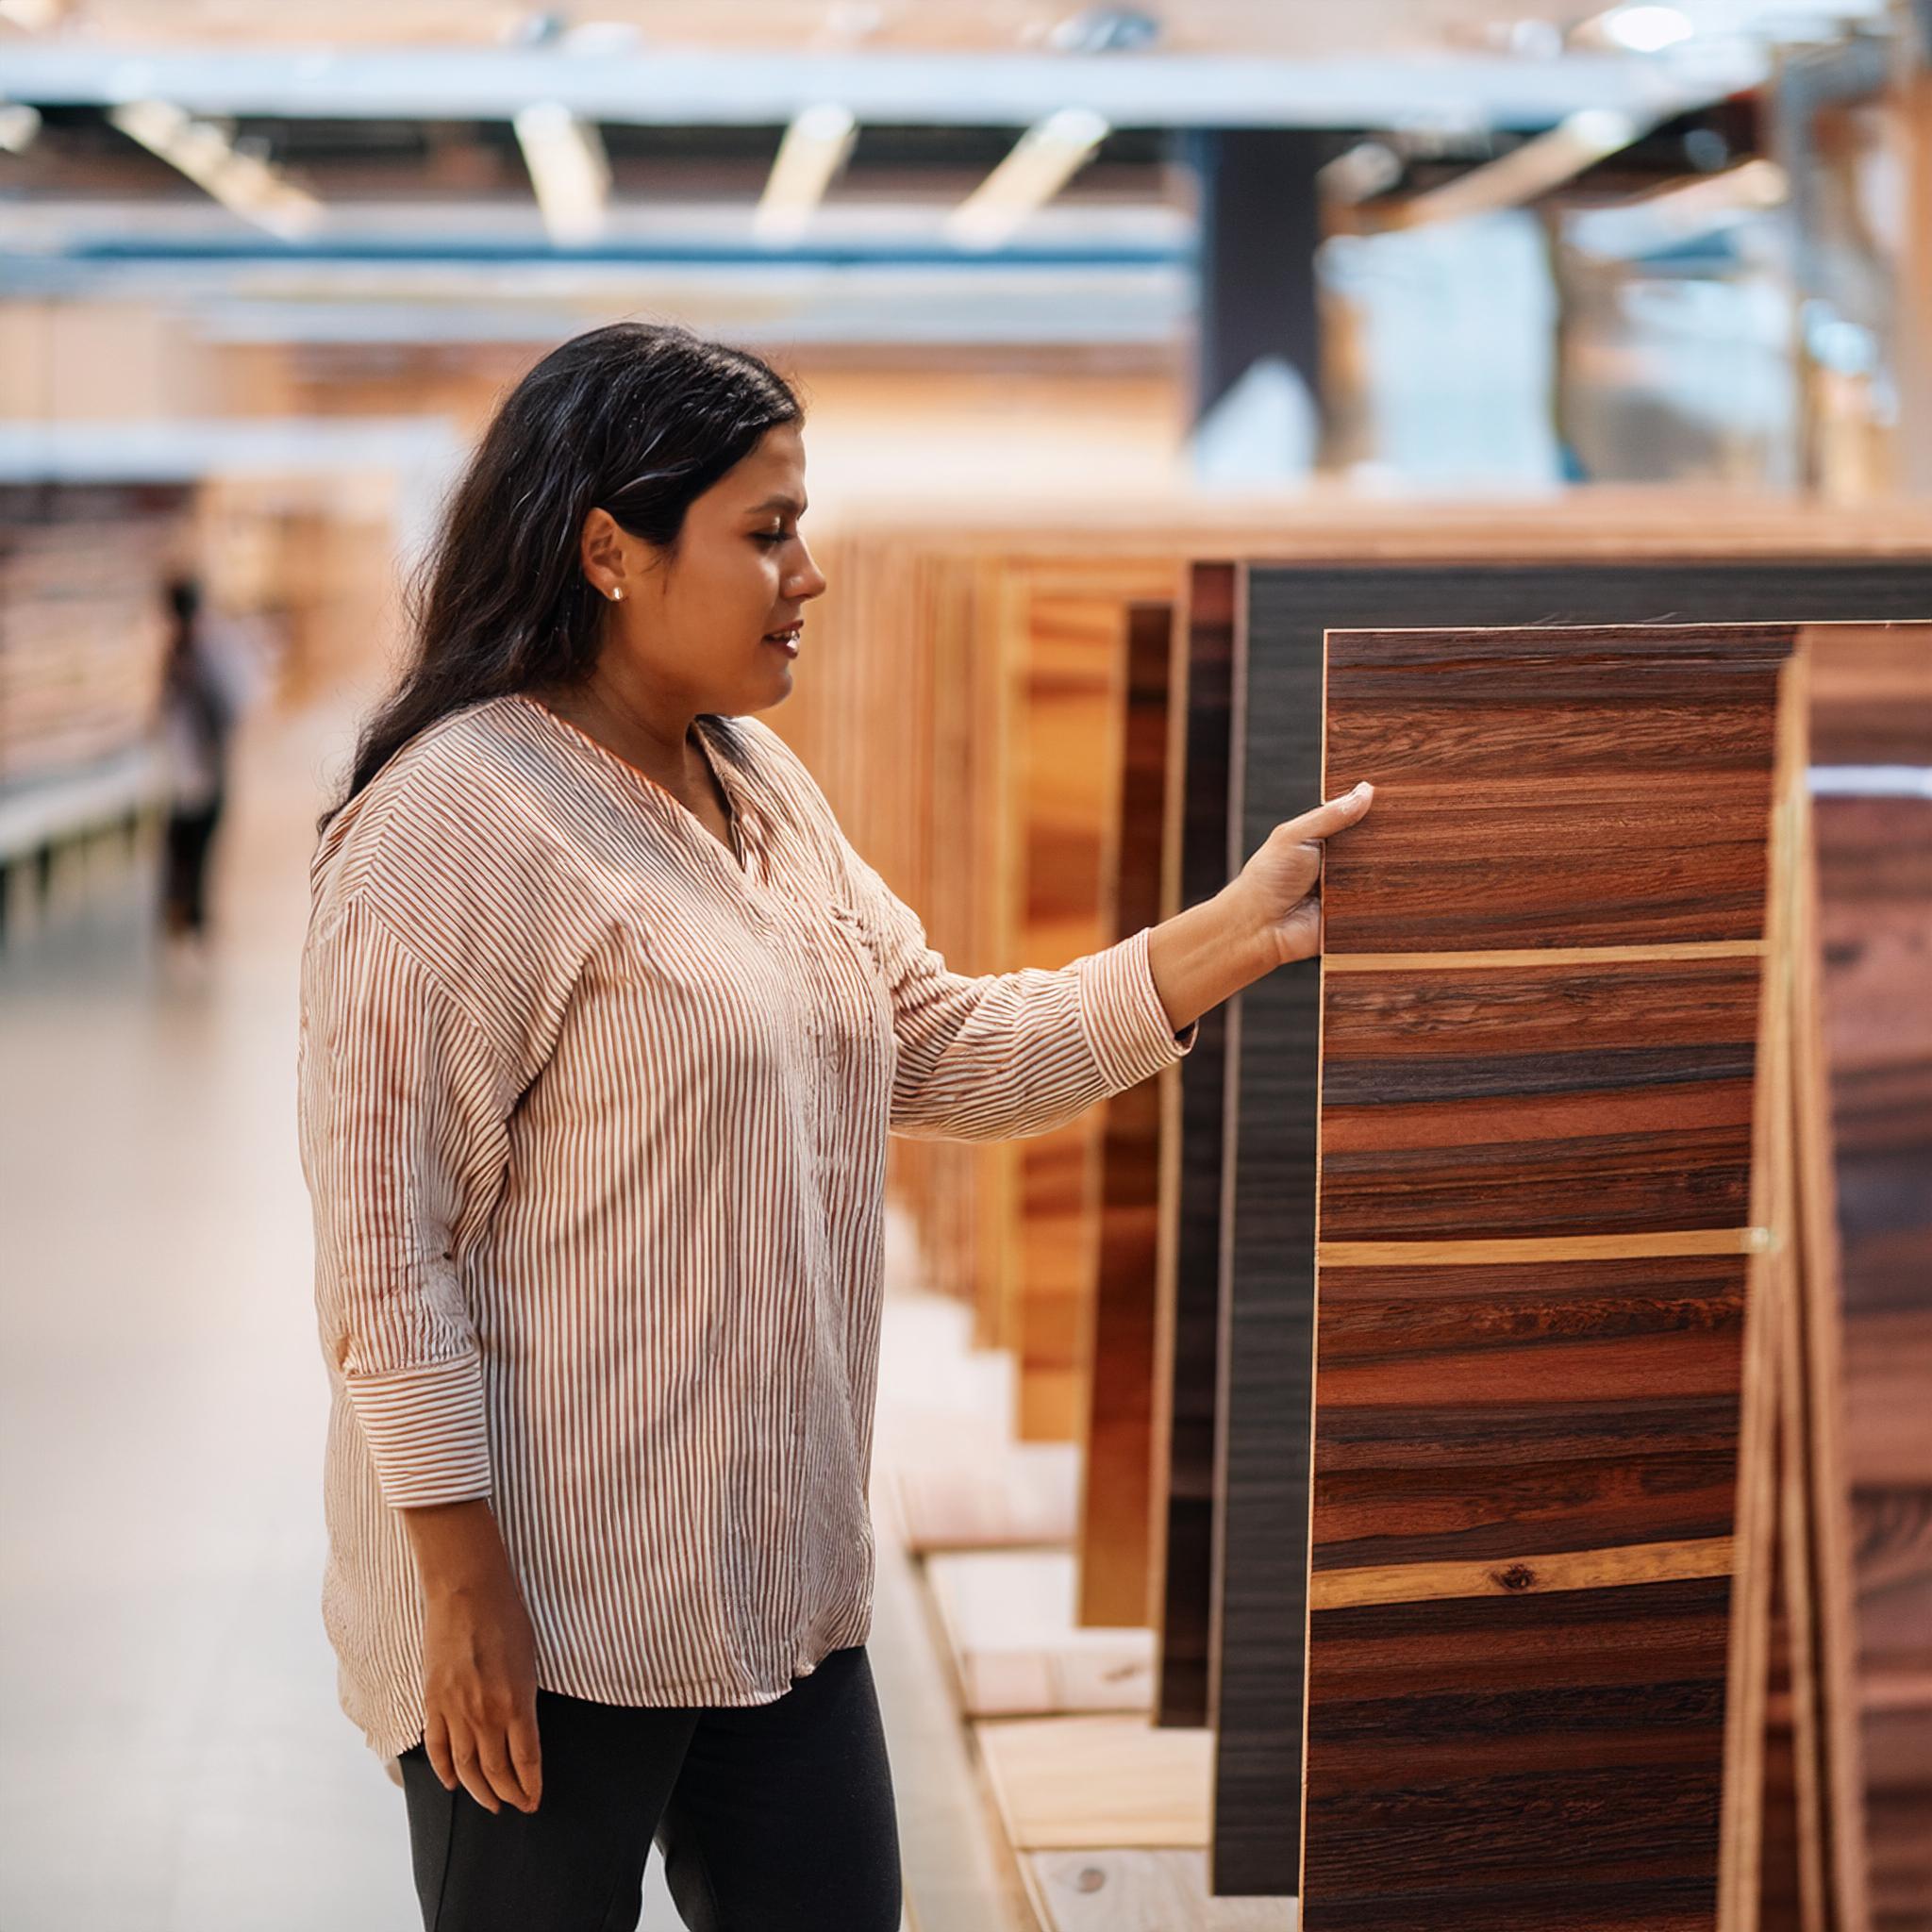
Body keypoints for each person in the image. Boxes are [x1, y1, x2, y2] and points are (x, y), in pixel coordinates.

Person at [295, 321, 1374, 1932]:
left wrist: (1233, 932)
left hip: (778, 1585)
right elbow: (388, 1260)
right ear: (609, 550)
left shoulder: (759, 786)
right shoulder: (448, 832)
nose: (809, 574)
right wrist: (462, 1590)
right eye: (768, 531)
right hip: (545, 1610)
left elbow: (934, 1044)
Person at [156, 574, 258, 943]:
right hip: (188, 769)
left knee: (197, 849)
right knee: (185, 848)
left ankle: (194, 922)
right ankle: (185, 921)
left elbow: (228, 707)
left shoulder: (205, 650)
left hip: (204, 766)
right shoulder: (184, 650)